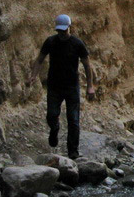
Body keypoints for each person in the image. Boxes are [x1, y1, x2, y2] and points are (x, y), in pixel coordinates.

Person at [27, 14, 95, 160]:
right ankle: (54, 128)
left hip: (71, 87)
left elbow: (87, 65)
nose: (62, 34)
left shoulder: (77, 44)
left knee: (74, 120)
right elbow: (39, 60)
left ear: (69, 28)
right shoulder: (50, 42)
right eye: (60, 31)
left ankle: (73, 152)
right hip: (54, 86)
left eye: (64, 31)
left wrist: (90, 86)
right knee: (51, 115)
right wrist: (33, 75)